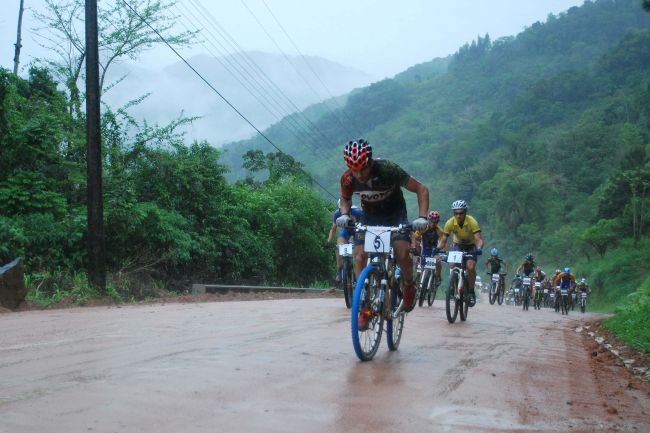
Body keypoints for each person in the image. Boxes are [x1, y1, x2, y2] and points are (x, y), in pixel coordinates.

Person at [336, 138, 429, 317]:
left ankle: (409, 286)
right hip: (370, 216)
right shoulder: (347, 178)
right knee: (359, 257)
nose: (359, 174)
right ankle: (363, 304)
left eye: (363, 168)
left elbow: (421, 189)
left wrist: (422, 217)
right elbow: (345, 198)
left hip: (395, 214)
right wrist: (345, 213)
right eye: (354, 169)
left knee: (402, 253)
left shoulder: (388, 169)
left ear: (370, 161)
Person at [436, 200, 484, 307]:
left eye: (461, 213)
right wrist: (437, 248)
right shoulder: (450, 222)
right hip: (457, 245)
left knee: (470, 267)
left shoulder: (472, 222)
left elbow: (479, 239)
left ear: (465, 212)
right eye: (456, 213)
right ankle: (452, 285)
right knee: (452, 265)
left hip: (471, 246)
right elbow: (443, 239)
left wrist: (479, 248)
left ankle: (471, 291)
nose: (458, 216)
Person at [325, 200, 363, 282]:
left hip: (358, 230)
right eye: (341, 210)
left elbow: (364, 226)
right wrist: (328, 241)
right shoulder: (337, 214)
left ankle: (358, 273)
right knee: (339, 245)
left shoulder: (358, 212)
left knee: (358, 252)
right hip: (346, 230)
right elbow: (333, 229)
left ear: (349, 208)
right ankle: (340, 270)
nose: (343, 212)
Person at [411, 210, 444, 288]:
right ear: (428, 220)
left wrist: (443, 249)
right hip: (424, 249)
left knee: (438, 262)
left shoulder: (439, 230)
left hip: (434, 250)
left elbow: (443, 241)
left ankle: (438, 276)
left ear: (438, 222)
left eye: (435, 222)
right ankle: (419, 284)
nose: (433, 223)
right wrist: (415, 245)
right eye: (432, 221)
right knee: (420, 269)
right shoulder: (423, 228)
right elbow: (415, 237)